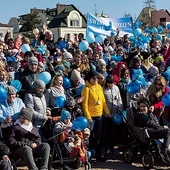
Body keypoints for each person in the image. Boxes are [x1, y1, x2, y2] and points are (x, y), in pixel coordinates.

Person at [81, 71, 111, 161]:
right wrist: (88, 116)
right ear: (89, 78)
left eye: (97, 78)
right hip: (91, 117)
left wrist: (107, 112)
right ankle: (88, 155)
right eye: (93, 78)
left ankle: (98, 154)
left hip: (99, 115)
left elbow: (103, 101)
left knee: (98, 136)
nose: (96, 80)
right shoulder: (86, 89)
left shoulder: (99, 87)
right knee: (89, 136)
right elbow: (84, 105)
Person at [133, 97, 170, 164]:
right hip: (147, 132)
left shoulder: (150, 114)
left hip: (153, 130)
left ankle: (165, 150)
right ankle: (164, 151)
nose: (142, 108)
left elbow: (155, 121)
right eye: (140, 106)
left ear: (147, 107)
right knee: (167, 131)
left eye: (144, 106)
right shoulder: (139, 114)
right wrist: (161, 127)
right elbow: (150, 123)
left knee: (167, 131)